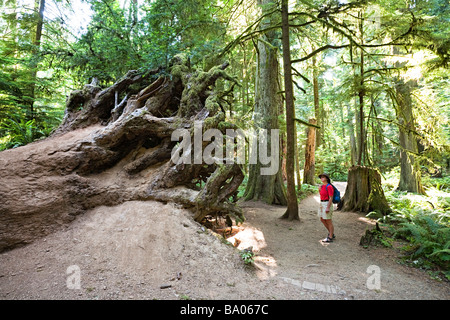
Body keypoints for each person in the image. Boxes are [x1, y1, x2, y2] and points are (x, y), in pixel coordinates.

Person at [318, 173, 335, 243]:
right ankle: (331, 233)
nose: (321, 178)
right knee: (322, 219)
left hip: (327, 203)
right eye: (321, 177)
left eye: (323, 177)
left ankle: (330, 237)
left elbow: (331, 197)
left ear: (327, 178)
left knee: (328, 220)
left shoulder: (329, 186)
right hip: (322, 203)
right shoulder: (322, 186)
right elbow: (322, 195)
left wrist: (328, 207)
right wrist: (319, 190)